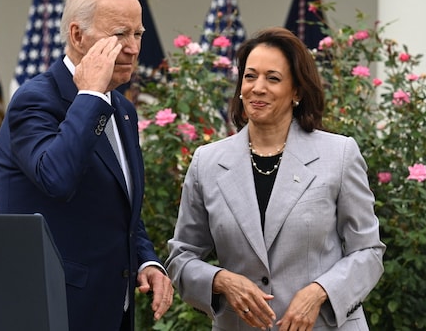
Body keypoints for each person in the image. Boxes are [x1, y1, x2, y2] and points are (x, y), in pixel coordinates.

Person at [165, 27, 386, 330]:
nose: (257, 88)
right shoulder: (208, 162)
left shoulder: (339, 154)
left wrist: (320, 292)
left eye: (273, 78)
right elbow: (181, 257)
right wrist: (220, 280)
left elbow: (368, 251)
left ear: (296, 91)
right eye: (250, 76)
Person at [0, 0, 173, 330]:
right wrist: (89, 96)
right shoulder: (36, 100)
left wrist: (146, 262)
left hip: (113, 310)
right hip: (53, 309)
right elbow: (57, 179)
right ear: (77, 36)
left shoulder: (122, 108)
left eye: (137, 35)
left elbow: (121, 206)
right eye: (120, 34)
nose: (134, 49)